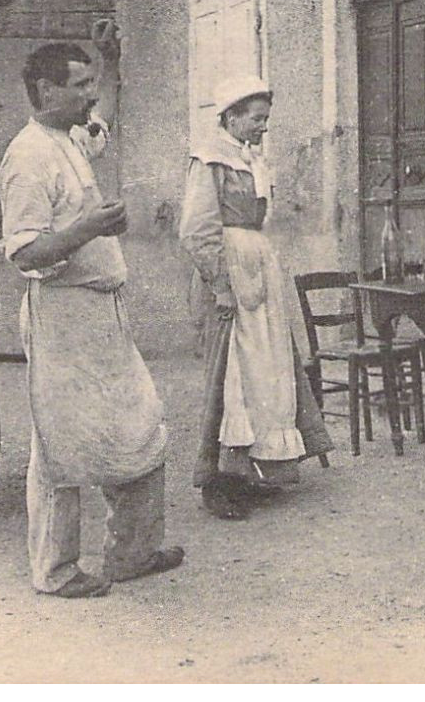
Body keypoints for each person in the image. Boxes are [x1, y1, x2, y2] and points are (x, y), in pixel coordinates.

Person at [0, 28, 183, 598]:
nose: (90, 95)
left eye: (93, 83)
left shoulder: (70, 139)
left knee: (139, 424)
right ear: (46, 90)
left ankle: (131, 552)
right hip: (63, 316)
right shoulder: (27, 158)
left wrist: (113, 66)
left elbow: (102, 129)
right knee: (62, 445)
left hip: (103, 311)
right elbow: (25, 251)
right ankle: (55, 571)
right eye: (80, 86)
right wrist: (88, 229)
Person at [178, 75, 333, 520]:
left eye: (266, 119)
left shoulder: (253, 159)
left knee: (265, 374)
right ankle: (219, 482)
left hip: (258, 271)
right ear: (231, 116)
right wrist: (220, 286)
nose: (263, 127)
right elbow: (195, 231)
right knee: (231, 378)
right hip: (229, 275)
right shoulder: (209, 161)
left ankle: (252, 472)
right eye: (256, 118)